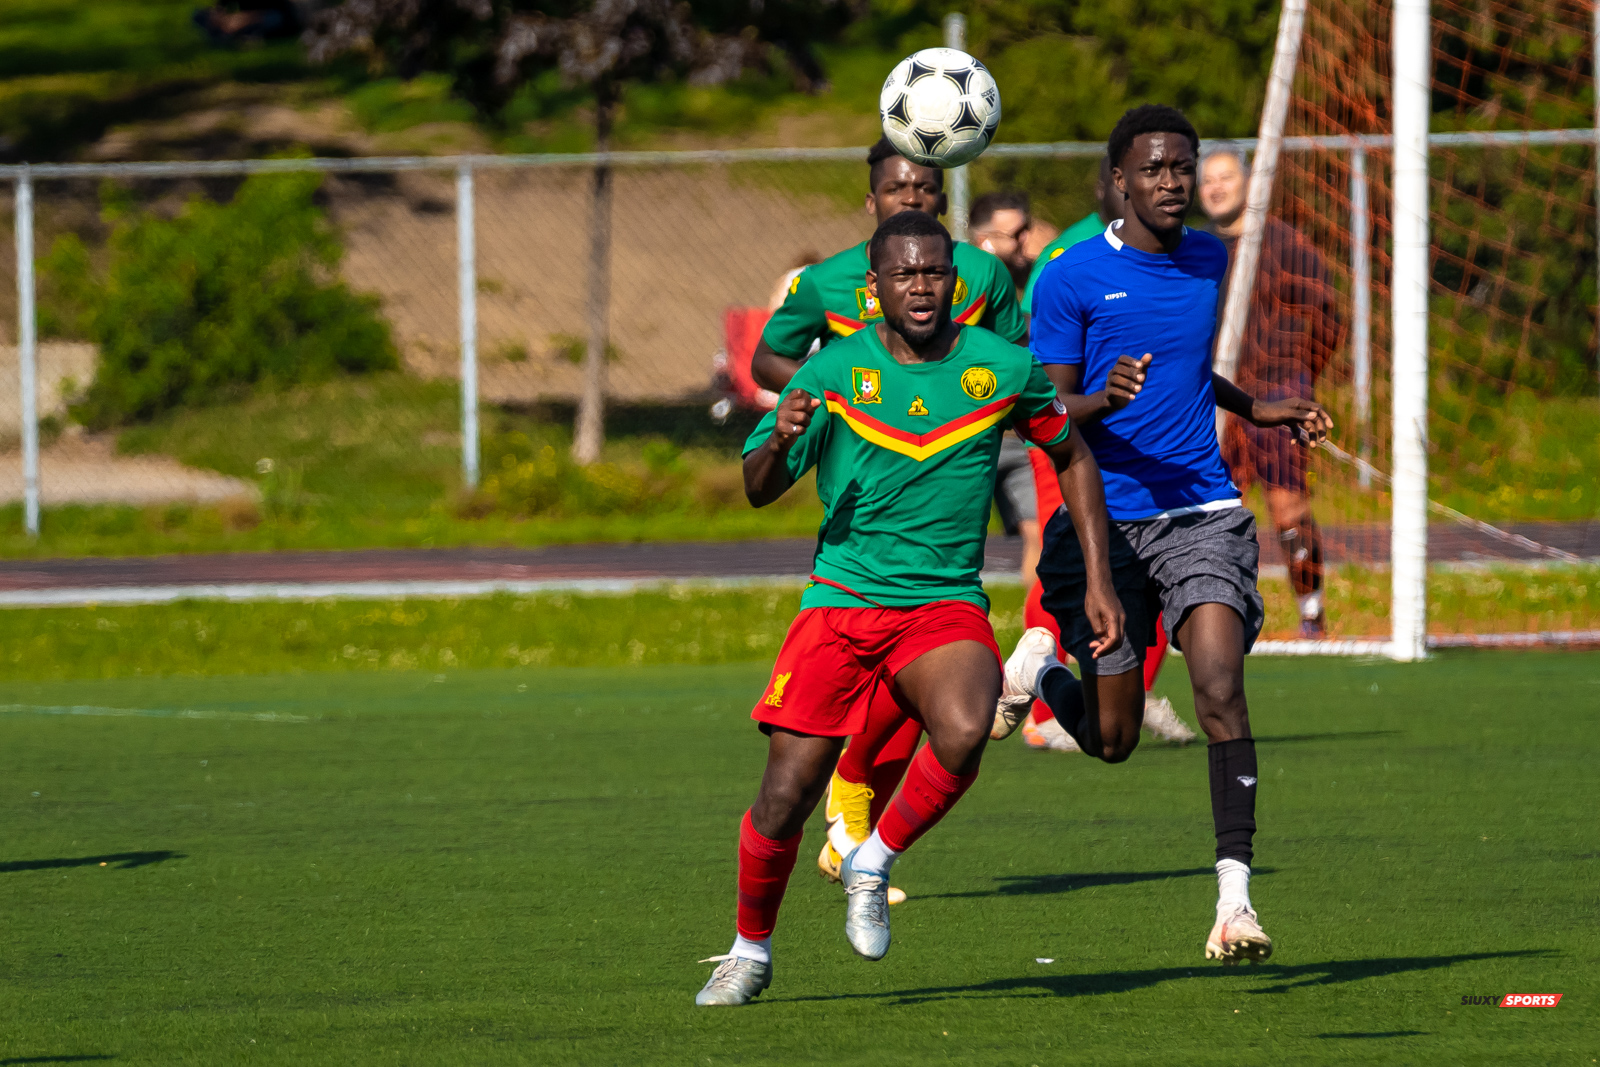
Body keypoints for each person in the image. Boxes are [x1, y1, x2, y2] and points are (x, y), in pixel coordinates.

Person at [694, 210, 1122, 1006]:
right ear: (877, 286)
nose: (921, 286)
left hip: (941, 604)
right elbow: (758, 489)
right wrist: (781, 434)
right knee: (784, 798)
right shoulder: (830, 372)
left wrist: (1098, 580)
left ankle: (874, 857)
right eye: (904, 274)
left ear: (954, 280)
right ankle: (749, 949)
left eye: (934, 272)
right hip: (841, 601)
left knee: (965, 726)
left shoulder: (1001, 365)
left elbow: (1071, 451)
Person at [1000, 104, 1333, 965]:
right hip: (1105, 524)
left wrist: (1255, 406)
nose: (1173, 181)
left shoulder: (1208, 259)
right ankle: (1041, 671)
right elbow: (1041, 407)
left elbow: (1184, 366)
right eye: (1154, 168)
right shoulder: (1071, 276)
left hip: (1201, 512)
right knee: (1111, 743)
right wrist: (1099, 401)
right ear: (1119, 180)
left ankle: (1235, 903)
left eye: (1182, 166)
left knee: (1219, 685)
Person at [750, 137, 1029, 902]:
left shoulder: (979, 275)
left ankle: (864, 834)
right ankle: (818, 852)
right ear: (871, 201)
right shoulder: (825, 283)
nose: (912, 198)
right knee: (795, 774)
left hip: (951, 470)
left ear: (943, 199)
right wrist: (828, 397)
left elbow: (1015, 364)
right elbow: (770, 364)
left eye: (926, 187)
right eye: (898, 188)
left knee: (939, 703)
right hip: (861, 491)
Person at [1199, 144, 1346, 638]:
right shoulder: (1195, 250)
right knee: (1218, 510)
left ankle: (1311, 613)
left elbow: (1329, 316)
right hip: (1215, 395)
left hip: (1276, 393)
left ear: (1248, 181)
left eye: (1225, 177)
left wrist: (1300, 379)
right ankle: (1221, 617)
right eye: (1207, 180)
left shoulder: (1285, 243)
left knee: (1288, 506)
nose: (1216, 187)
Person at [969, 192, 1049, 588]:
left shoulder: (1031, 277)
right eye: (1015, 233)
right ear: (984, 239)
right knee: (953, 539)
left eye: (1026, 230)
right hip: (965, 432)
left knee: (1041, 530)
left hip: (1017, 432)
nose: (1025, 241)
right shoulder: (959, 282)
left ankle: (1038, 637)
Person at [1020, 156, 1124, 316]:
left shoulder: (1165, 240)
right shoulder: (1069, 249)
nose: (1133, 195)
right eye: (1122, 186)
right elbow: (1032, 319)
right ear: (1100, 190)